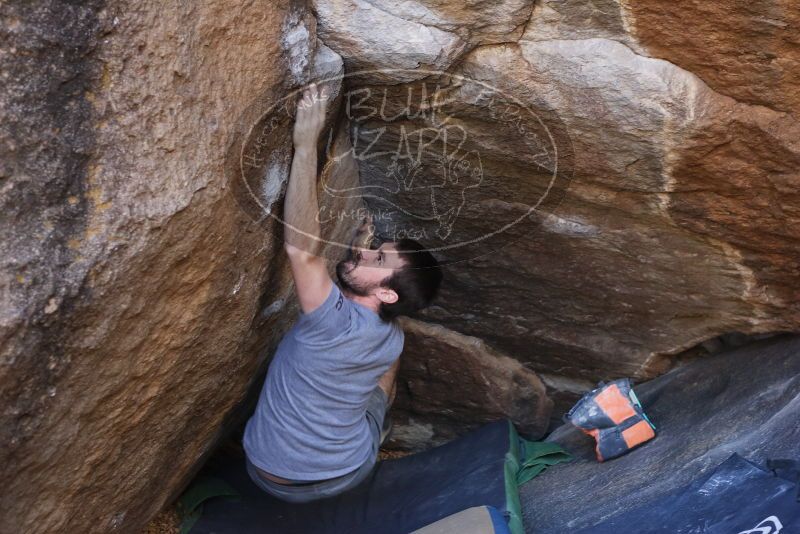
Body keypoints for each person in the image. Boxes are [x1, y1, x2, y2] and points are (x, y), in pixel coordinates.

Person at [242, 82, 443, 503]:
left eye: (377, 260)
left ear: (387, 293)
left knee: (384, 359)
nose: (368, 253)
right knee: (392, 351)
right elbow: (370, 302)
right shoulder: (388, 336)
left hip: (269, 476)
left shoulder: (332, 320)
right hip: (347, 470)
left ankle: (377, 419)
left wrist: (305, 145)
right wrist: (362, 259)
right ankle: (381, 417)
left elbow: (301, 247)